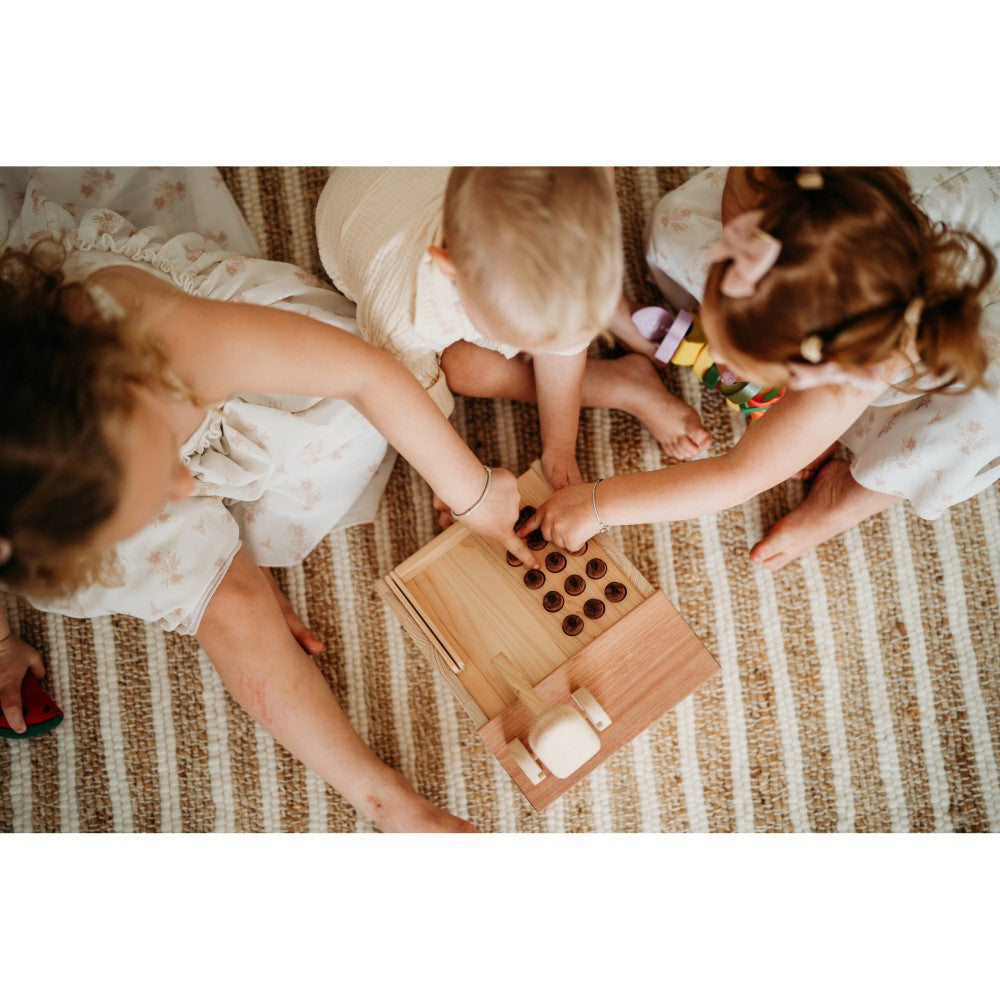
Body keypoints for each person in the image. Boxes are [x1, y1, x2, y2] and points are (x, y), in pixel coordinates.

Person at [0, 167, 539, 831]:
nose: (188, 489)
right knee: (219, 598)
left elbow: (366, 372)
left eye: (164, 457)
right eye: (152, 500)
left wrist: (472, 489)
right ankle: (388, 803)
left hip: (187, 358)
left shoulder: (157, 334)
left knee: (352, 424)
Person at [522, 167, 1000, 568]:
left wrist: (598, 504)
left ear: (816, 369)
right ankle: (688, 339)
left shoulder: (864, 361)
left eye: (741, 357)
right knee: (673, 224)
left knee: (980, 416)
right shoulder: (770, 173)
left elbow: (739, 475)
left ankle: (844, 500)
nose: (721, 363)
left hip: (964, 349)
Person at [315, 167, 712, 494]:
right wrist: (463, 491)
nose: (537, 354)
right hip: (358, 215)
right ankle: (621, 381)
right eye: (526, 343)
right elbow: (414, 416)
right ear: (451, 269)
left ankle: (607, 311)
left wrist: (559, 448)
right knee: (466, 369)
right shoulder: (402, 318)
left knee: (560, 315)